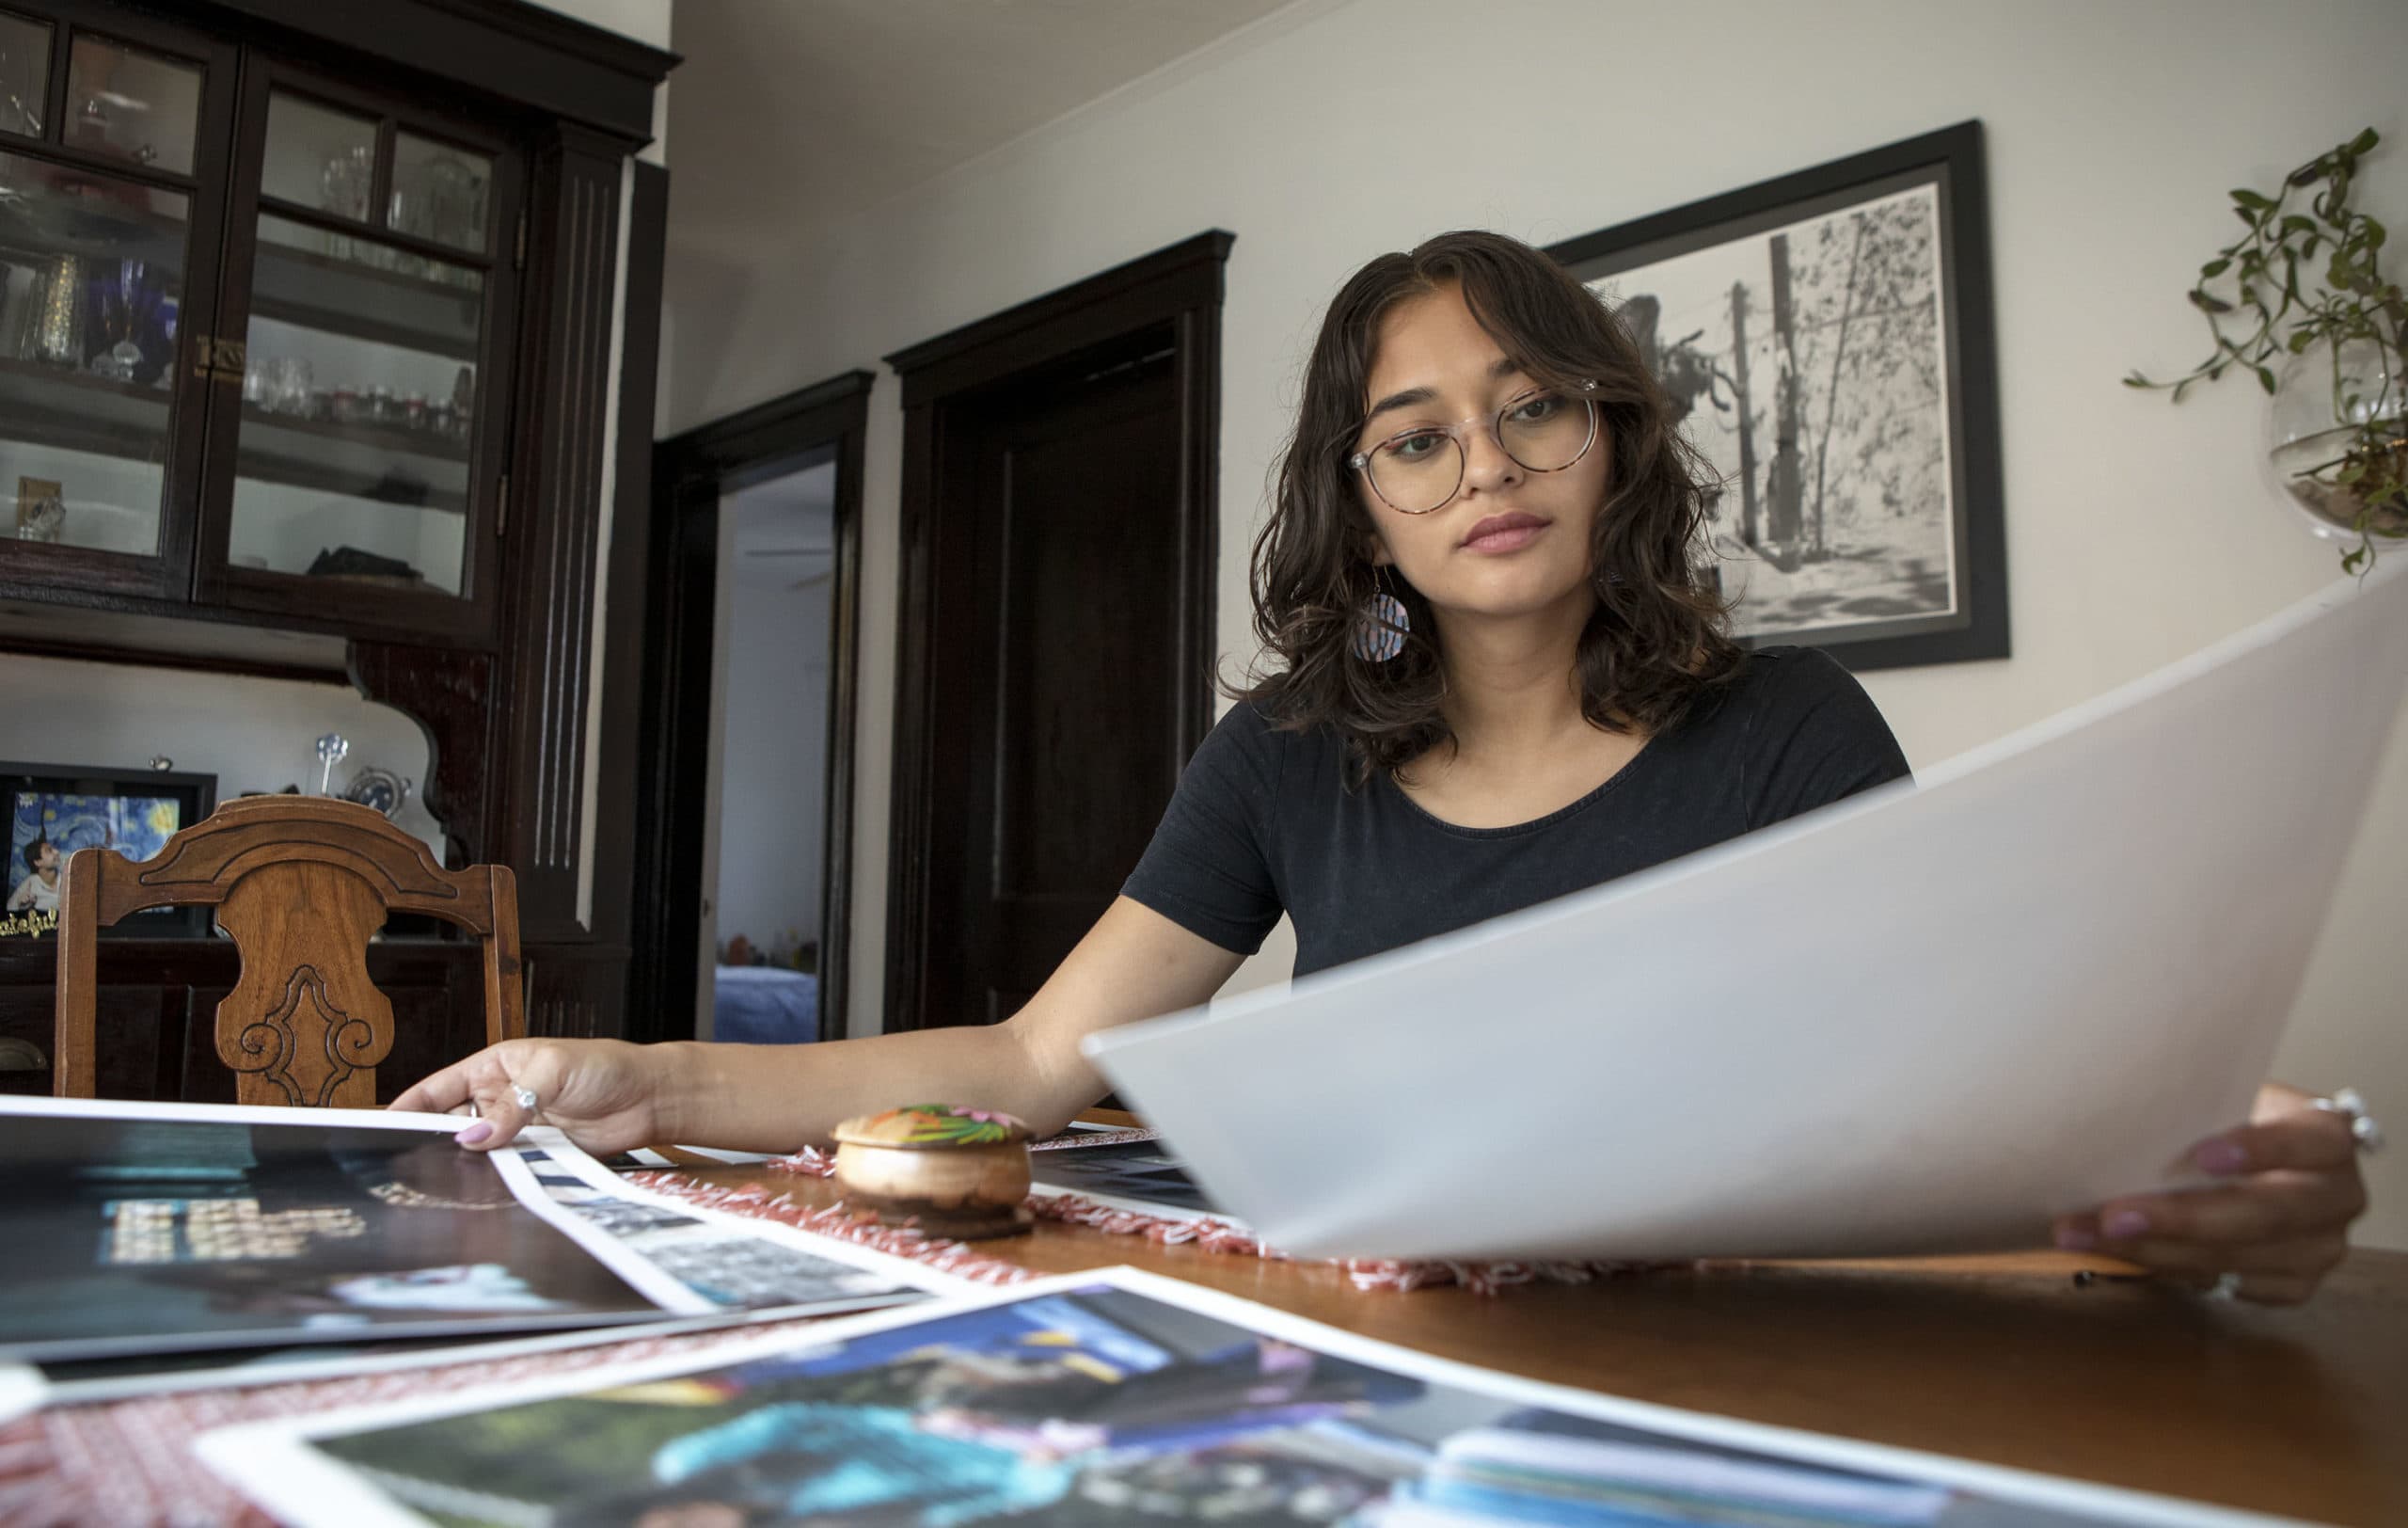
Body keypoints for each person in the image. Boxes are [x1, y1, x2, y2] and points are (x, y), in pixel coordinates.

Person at [398, 231, 2372, 1305]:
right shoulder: (1277, 752)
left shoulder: (1790, 732)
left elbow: (1970, 1106)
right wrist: (640, 1073)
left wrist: (2207, 1179)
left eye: (1531, 410)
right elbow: (1019, 1065)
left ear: (1613, 441)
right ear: (1363, 506)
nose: (1485, 463)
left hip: (1740, 1357)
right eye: (1414, 434)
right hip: (1365, 1352)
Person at [7, 835, 60, 913]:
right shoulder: (30, 884)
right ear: (37, 862)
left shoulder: (68, 877)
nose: (57, 852)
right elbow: (9, 910)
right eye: (49, 850)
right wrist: (22, 907)